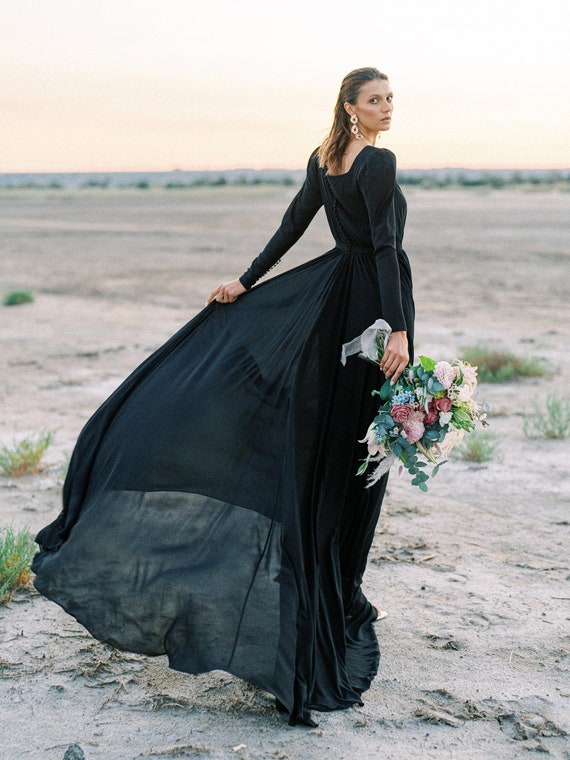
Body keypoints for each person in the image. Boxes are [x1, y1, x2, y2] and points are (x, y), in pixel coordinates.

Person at [32, 66, 415, 727]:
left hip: (331, 303)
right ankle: (337, 601)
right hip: (369, 310)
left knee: (338, 450)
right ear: (350, 107)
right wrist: (400, 329)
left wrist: (247, 279)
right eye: (375, 99)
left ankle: (336, 596)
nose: (388, 108)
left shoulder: (324, 158)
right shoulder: (375, 163)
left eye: (390, 99)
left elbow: (293, 228)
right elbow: (380, 248)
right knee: (359, 456)